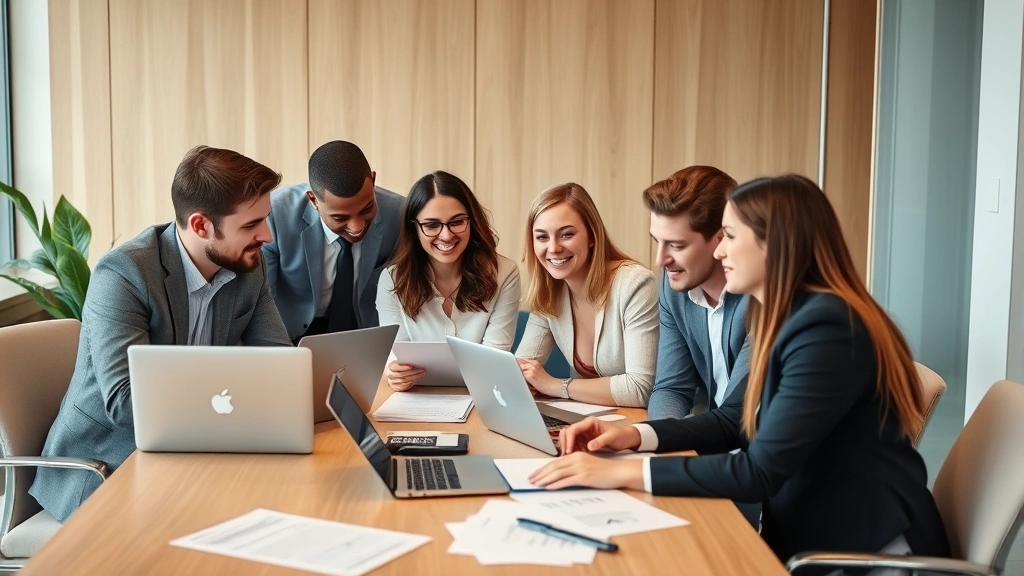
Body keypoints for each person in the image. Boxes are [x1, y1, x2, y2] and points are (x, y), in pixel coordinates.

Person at [530, 175, 951, 566]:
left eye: (730, 236)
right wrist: (634, 436)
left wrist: (619, 470)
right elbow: (735, 419)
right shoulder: (788, 315)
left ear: (775, 244)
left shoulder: (827, 328)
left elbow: (759, 471)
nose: (719, 250)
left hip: (868, 550)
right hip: (808, 531)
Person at [30, 146, 293, 522]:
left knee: (279, 505)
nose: (266, 235)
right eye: (250, 225)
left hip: (190, 459)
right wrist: (228, 398)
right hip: (106, 466)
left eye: (265, 219)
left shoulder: (247, 266)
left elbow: (280, 366)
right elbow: (126, 404)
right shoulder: (124, 275)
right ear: (201, 225)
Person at [515, 183, 658, 408]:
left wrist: (555, 386)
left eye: (567, 234)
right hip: (588, 419)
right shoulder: (550, 292)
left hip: (637, 423)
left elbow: (640, 389)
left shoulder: (634, 284)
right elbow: (521, 370)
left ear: (592, 235)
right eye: (542, 237)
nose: (553, 248)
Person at [376, 171, 520, 391]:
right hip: (418, 401)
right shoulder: (392, 280)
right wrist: (394, 372)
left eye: (457, 222)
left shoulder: (504, 273)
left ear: (471, 221)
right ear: (415, 228)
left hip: (482, 399)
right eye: (432, 225)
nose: (446, 235)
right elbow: (397, 358)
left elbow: (494, 364)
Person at [262, 140, 405, 343]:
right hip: (292, 332)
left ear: (373, 180)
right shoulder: (276, 216)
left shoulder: (400, 214)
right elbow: (262, 302)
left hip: (367, 332)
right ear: (313, 201)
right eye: (340, 217)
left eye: (366, 209)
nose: (357, 227)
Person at [644, 166, 751, 420]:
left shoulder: (758, 295)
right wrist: (658, 442)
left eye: (677, 245)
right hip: (713, 439)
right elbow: (672, 388)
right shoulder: (674, 286)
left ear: (721, 238)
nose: (661, 260)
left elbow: (736, 416)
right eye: (656, 241)